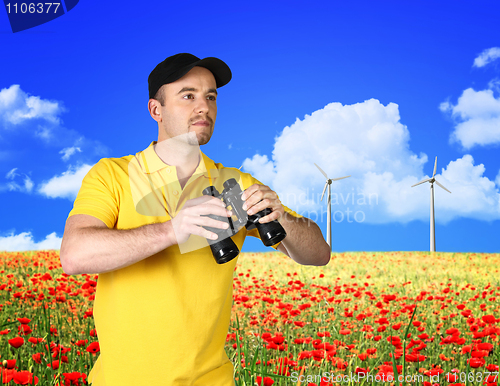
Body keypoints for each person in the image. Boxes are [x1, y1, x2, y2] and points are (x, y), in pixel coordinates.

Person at [60, 53, 330, 385]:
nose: (204, 106)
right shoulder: (112, 175)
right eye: (188, 95)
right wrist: (174, 230)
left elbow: (318, 254)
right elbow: (74, 255)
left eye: (211, 96)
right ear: (156, 110)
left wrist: (282, 217)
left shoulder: (236, 183)